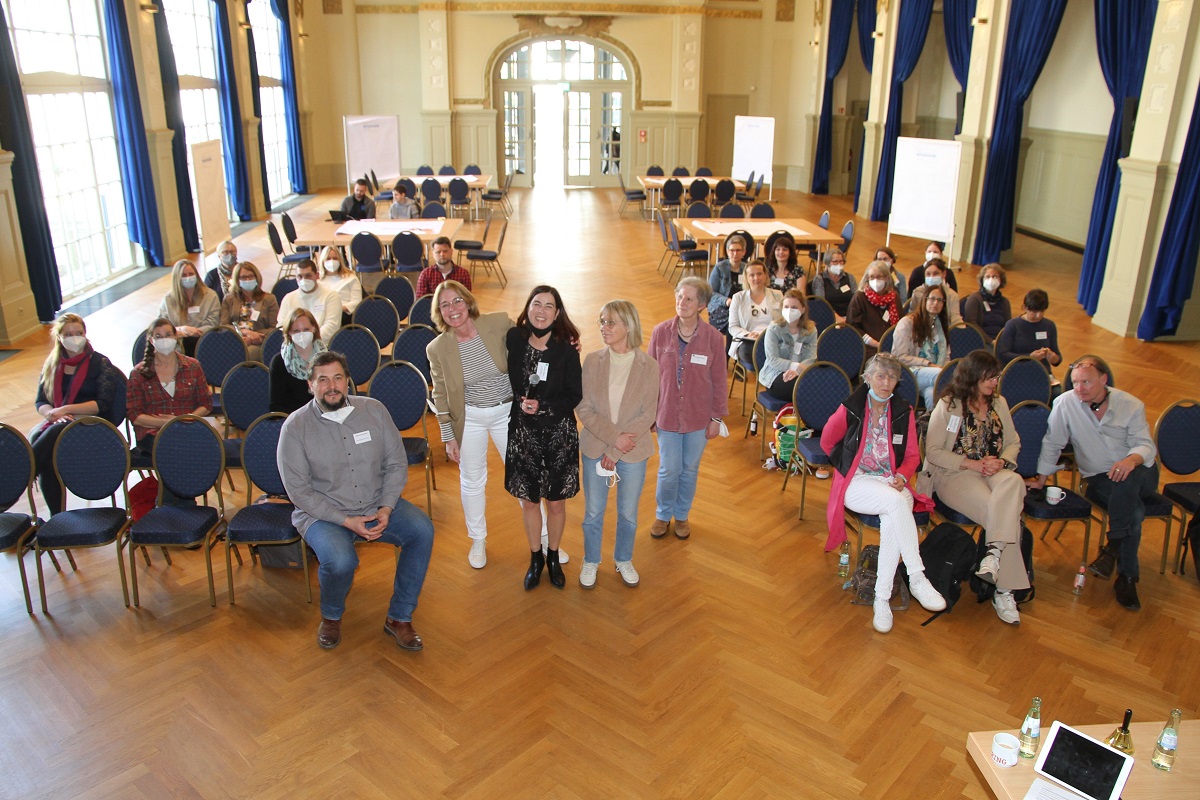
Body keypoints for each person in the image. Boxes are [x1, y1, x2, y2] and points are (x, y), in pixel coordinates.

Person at [277, 351, 434, 650]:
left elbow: (396, 464)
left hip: (376, 503)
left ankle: (399, 617)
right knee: (340, 561)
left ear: (348, 381)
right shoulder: (295, 428)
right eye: (322, 380)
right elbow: (298, 491)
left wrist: (387, 507)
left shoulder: (373, 410)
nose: (331, 386)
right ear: (310, 385)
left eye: (337, 377)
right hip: (323, 514)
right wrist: (346, 521)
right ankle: (332, 617)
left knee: (422, 531)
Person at [821, 354, 947, 634]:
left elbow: (913, 455)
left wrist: (902, 475)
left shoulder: (903, 412)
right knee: (897, 502)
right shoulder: (851, 408)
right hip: (857, 483)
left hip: (891, 481)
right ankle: (916, 575)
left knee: (894, 514)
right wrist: (845, 466)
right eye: (880, 376)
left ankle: (881, 599)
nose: (885, 382)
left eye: (891, 377)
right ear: (867, 378)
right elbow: (828, 440)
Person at [1028, 355, 1157, 610]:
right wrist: (1042, 478)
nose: (1079, 389)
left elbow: (1146, 446)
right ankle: (1126, 575)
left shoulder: (1130, 404)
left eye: (1086, 382)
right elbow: (1053, 442)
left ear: (1103, 379)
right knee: (1135, 511)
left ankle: (1113, 551)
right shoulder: (1065, 403)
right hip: (1100, 477)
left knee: (1127, 480)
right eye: (1075, 382)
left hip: (1141, 472)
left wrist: (1130, 461)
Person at [919, 351, 1027, 624]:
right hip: (955, 473)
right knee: (1005, 514)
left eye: (997, 376)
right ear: (973, 376)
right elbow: (933, 452)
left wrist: (1002, 461)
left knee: (1014, 481)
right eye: (990, 377)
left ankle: (992, 556)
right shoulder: (949, 404)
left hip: (994, 470)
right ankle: (1004, 590)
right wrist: (972, 464)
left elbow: (1014, 442)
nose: (995, 381)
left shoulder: (999, 403)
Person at [426, 280, 512, 569]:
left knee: (525, 474)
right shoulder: (437, 348)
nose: (453, 309)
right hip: (470, 417)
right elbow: (439, 392)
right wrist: (448, 436)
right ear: (439, 312)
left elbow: (533, 344)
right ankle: (478, 540)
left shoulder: (498, 323)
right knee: (472, 480)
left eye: (457, 301)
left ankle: (545, 538)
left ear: (468, 301)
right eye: (445, 305)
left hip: (507, 411)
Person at [577, 300, 659, 589]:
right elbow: (584, 408)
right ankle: (590, 559)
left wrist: (615, 450)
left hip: (633, 450)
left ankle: (623, 558)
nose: (603, 327)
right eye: (601, 321)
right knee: (593, 511)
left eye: (610, 322)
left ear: (628, 325)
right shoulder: (591, 361)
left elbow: (647, 414)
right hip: (595, 446)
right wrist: (613, 440)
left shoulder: (649, 366)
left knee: (628, 512)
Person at [505, 285, 583, 590]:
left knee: (556, 505)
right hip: (523, 434)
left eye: (548, 306)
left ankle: (553, 556)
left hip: (557, 436)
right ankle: (535, 557)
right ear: (528, 309)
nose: (541, 311)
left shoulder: (566, 350)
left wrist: (544, 406)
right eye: (536, 304)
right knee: (529, 502)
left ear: (558, 313)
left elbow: (574, 395)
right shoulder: (515, 338)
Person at [648, 276, 728, 540]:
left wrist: (716, 417)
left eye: (689, 298)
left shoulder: (714, 339)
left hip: (698, 416)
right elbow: (650, 376)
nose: (682, 302)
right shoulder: (660, 332)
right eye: (680, 296)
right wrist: (648, 414)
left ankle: (681, 515)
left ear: (702, 305)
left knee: (689, 469)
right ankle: (662, 515)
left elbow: (719, 380)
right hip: (667, 414)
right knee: (669, 469)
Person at [30, 313, 118, 515]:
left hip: (94, 424)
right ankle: (57, 516)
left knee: (53, 433)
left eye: (79, 333)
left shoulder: (100, 363)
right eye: (68, 333)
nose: (75, 337)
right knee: (45, 440)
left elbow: (103, 404)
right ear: (59, 337)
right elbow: (41, 401)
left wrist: (66, 410)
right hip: (60, 422)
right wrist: (52, 414)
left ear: (86, 334)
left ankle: (21, 476)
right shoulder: (52, 365)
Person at [127, 318, 212, 462]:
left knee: (204, 445)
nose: (164, 340)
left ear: (176, 337)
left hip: (186, 427)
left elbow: (206, 404)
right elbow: (135, 415)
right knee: (173, 447)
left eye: (168, 335)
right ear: (151, 341)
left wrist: (182, 420)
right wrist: (166, 423)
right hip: (152, 433)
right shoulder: (138, 373)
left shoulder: (193, 366)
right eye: (158, 336)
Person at [890, 283, 949, 408]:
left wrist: (944, 366)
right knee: (944, 375)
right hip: (910, 372)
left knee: (931, 393)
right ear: (924, 300)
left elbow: (947, 355)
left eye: (940, 300)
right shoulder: (907, 323)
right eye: (932, 299)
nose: (935, 303)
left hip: (933, 374)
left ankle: (928, 425)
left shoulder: (941, 327)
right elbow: (899, 357)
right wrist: (928, 364)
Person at [759, 288, 817, 402]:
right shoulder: (774, 328)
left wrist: (798, 371)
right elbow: (772, 360)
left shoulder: (811, 330)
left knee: (816, 386)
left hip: (802, 373)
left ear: (803, 309)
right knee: (801, 389)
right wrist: (795, 367)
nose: (790, 310)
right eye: (786, 307)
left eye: (794, 307)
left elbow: (811, 358)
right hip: (776, 374)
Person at [157, 258, 219, 356]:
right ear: (177, 279)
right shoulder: (168, 299)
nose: (188, 278)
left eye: (191, 274)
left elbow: (213, 323)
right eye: (184, 275)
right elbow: (162, 326)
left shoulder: (211, 295)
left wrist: (193, 332)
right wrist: (182, 330)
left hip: (204, 340)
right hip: (178, 342)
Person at [269, 308, 326, 414]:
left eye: (306, 330)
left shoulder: (327, 359)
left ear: (314, 329)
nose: (302, 334)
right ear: (289, 332)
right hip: (294, 420)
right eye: (296, 331)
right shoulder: (279, 362)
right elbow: (276, 405)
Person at [219, 261, 278, 361]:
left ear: (257, 277)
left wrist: (253, 337)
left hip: (259, 342)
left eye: (251, 276)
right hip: (234, 340)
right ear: (237, 280)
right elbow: (223, 326)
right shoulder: (229, 299)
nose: (248, 280)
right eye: (243, 277)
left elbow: (275, 328)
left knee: (243, 355)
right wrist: (244, 332)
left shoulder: (269, 299)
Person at [727, 259, 782, 364]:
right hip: (749, 341)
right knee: (750, 352)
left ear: (765, 275)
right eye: (752, 275)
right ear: (746, 278)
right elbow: (733, 327)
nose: (756, 278)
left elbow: (783, 322)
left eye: (759, 274)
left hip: (772, 338)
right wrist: (748, 334)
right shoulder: (738, 298)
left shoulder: (778, 295)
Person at [276, 259, 342, 344]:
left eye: (308, 276)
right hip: (295, 346)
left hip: (323, 346)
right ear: (296, 278)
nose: (304, 280)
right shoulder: (288, 298)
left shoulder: (331, 296)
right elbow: (282, 327)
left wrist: (307, 340)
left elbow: (331, 327)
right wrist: (299, 341)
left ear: (317, 275)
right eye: (300, 276)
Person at [995, 288, 1063, 369]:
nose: (1038, 315)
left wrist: (1054, 358)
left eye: (1042, 311)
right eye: (1034, 312)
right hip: (1017, 370)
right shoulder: (1013, 325)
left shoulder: (1049, 325)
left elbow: (1057, 358)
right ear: (1025, 308)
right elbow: (1003, 355)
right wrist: (1029, 357)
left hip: (1041, 370)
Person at [847, 260, 900, 352]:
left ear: (886, 278)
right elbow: (853, 327)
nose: (875, 280)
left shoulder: (894, 297)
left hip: (892, 347)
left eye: (879, 277)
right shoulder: (860, 297)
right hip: (866, 348)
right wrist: (877, 344)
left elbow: (900, 323)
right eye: (871, 277)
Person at [705, 232, 749, 339]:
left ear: (744, 252)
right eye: (732, 250)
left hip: (742, 307)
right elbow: (710, 293)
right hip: (722, 307)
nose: (735, 253)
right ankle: (727, 353)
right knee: (733, 320)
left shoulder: (747, 269)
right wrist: (726, 301)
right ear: (727, 252)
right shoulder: (719, 268)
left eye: (738, 250)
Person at [962, 263, 1012, 343]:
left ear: (1000, 280)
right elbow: (972, 324)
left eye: (995, 276)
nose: (991, 279)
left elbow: (1008, 325)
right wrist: (990, 341)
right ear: (982, 280)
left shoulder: (1005, 302)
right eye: (988, 277)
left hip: (1000, 341)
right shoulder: (975, 299)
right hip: (980, 341)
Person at [907, 258, 963, 328]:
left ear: (944, 274)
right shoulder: (918, 292)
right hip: (921, 329)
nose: (931, 277)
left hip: (945, 331)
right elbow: (912, 315)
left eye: (936, 273)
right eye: (928, 274)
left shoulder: (952, 295)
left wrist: (961, 330)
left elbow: (955, 318)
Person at [317, 245, 362, 326]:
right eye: (328, 259)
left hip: (344, 314)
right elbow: (314, 304)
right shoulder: (317, 280)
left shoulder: (351, 277)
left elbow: (357, 302)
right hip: (323, 314)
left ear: (340, 260)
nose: (331, 262)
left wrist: (338, 308)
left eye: (335, 258)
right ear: (323, 261)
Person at [810, 249, 857, 323]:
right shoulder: (820, 279)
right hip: (828, 316)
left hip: (848, 316)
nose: (839, 264)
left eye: (841, 261)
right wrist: (836, 317)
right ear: (827, 263)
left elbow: (856, 299)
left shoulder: (850, 277)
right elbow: (821, 303)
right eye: (835, 262)